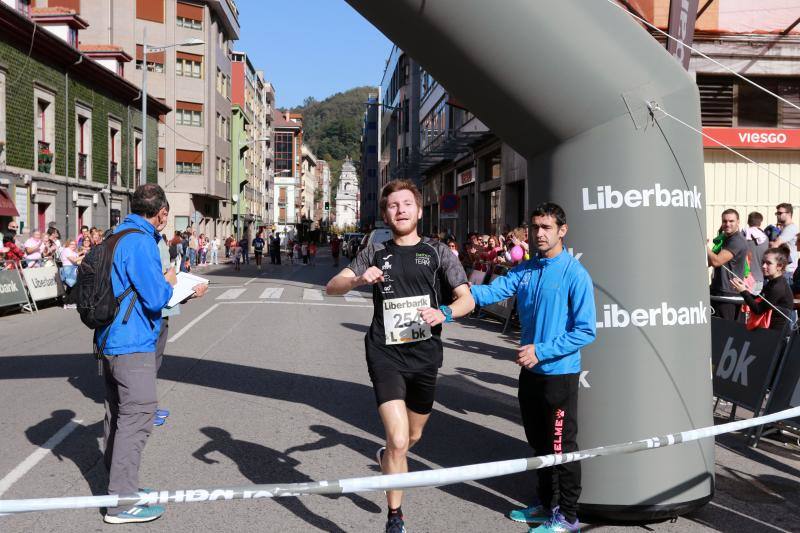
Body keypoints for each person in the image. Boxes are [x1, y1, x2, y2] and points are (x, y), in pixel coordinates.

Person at [326, 179, 474, 533]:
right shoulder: (374, 253)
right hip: (384, 352)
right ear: (385, 214)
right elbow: (331, 288)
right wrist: (359, 280)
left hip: (424, 355)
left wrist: (446, 313)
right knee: (397, 439)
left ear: (419, 211)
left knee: (411, 439)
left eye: (407, 203)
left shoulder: (439, 252)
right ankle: (395, 517)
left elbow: (466, 298)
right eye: (393, 205)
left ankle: (386, 458)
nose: (401, 210)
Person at [471, 202, 596, 533]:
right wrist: (455, 289)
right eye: (535, 227)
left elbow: (586, 330)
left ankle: (568, 516)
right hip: (531, 375)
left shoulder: (575, 274)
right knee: (539, 444)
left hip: (559, 376)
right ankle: (546, 505)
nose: (539, 233)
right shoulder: (526, 269)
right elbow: (490, 292)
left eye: (546, 228)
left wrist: (541, 351)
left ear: (562, 231)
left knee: (562, 449)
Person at [97, 184, 176, 524]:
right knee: (138, 419)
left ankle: (119, 487)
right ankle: (121, 503)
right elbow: (156, 297)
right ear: (160, 213)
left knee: (117, 417)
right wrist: (174, 283)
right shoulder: (142, 241)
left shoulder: (114, 235)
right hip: (133, 342)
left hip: (108, 339)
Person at [731, 244, 794, 332]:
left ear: (779, 266)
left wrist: (743, 292)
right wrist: (744, 288)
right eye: (763, 262)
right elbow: (758, 299)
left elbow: (758, 309)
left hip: (777, 335)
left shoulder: (778, 286)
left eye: (768, 263)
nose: (764, 266)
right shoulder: (772, 282)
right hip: (769, 331)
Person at [708, 209, 749, 321]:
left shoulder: (737, 241)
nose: (727, 224)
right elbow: (710, 262)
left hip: (728, 293)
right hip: (718, 289)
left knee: (724, 329)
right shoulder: (725, 239)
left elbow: (716, 261)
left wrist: (704, 247)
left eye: (731, 221)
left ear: (738, 222)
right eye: (724, 221)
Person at [770, 203, 798, 281]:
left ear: (789, 214)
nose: (777, 215)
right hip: (785, 270)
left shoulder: (790, 228)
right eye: (777, 213)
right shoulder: (785, 228)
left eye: (780, 213)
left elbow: (775, 246)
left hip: (787, 270)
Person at [744, 212, 769, 295]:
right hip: (759, 278)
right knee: (754, 306)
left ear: (748, 221)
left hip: (744, 279)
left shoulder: (742, 236)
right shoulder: (765, 239)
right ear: (760, 222)